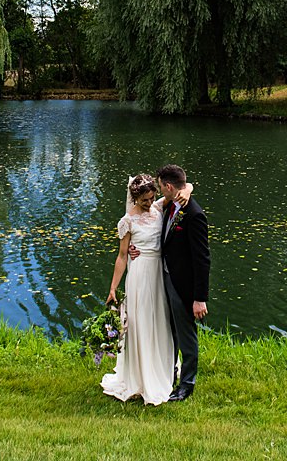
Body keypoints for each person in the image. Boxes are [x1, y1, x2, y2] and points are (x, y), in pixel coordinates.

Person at [100, 173, 189, 405]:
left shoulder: (158, 208)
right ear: (134, 198)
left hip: (159, 272)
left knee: (160, 320)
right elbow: (122, 256)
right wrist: (113, 288)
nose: (149, 203)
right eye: (144, 201)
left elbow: (183, 186)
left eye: (151, 198)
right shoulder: (127, 221)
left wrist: (188, 190)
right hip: (140, 274)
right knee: (141, 322)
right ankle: (141, 376)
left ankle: (163, 368)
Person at [155, 164, 210, 401]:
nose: (159, 190)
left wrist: (200, 298)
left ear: (168, 186)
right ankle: (170, 375)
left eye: (161, 186)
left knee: (186, 336)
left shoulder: (194, 215)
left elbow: (202, 259)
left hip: (183, 285)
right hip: (167, 279)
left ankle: (187, 385)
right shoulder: (170, 205)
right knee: (171, 332)